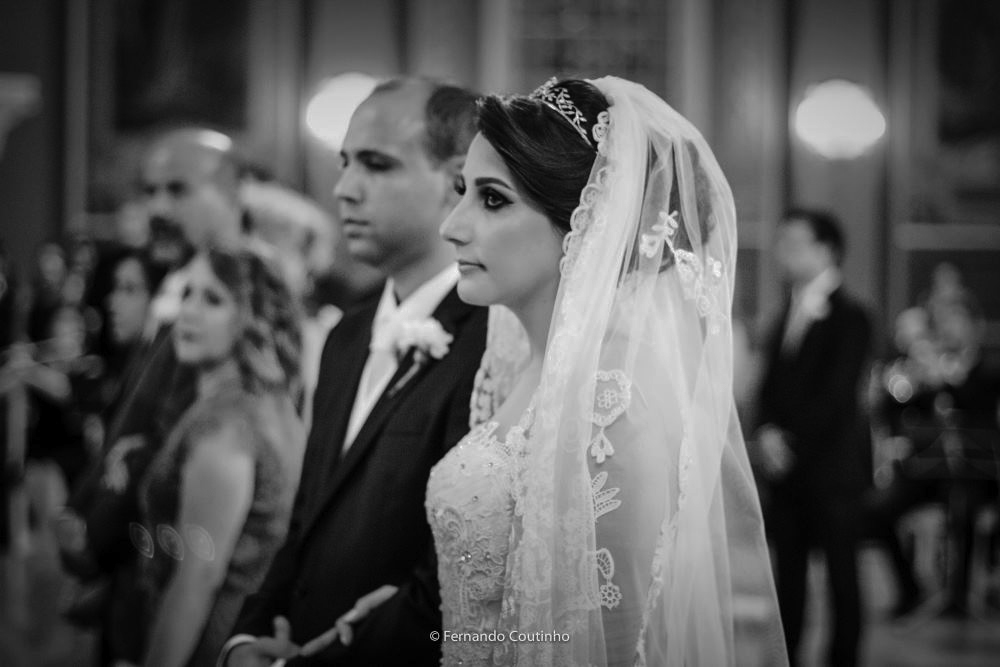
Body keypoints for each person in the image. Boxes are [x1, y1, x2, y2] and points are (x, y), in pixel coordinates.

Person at [419, 77, 783, 665]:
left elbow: (613, 644)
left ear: (582, 226)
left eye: (491, 199)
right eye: (462, 191)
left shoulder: (614, 405)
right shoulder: (519, 364)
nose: (452, 226)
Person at [223, 78, 487, 666]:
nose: (343, 189)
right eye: (344, 164)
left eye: (376, 165)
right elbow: (306, 519)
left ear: (457, 180)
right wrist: (245, 638)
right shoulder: (346, 335)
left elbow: (454, 579)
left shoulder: (493, 345)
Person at [62, 128, 255, 665]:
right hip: (131, 572)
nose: (158, 207)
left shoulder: (250, 302)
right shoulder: (173, 281)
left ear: (233, 191)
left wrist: (96, 532)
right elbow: (134, 415)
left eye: (178, 190)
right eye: (150, 192)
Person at [138, 248, 305, 666]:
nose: (188, 311)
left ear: (252, 317)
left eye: (212, 299)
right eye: (187, 293)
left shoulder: (225, 426)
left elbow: (196, 581)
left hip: (207, 642)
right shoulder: (273, 400)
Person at [755, 209, 872, 666]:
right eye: (781, 242)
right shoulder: (784, 310)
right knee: (789, 578)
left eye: (794, 242)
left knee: (842, 578)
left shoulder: (852, 316)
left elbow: (836, 396)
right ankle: (789, 656)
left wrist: (788, 442)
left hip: (833, 470)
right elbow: (770, 384)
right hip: (785, 470)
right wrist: (764, 432)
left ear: (827, 250)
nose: (782, 251)